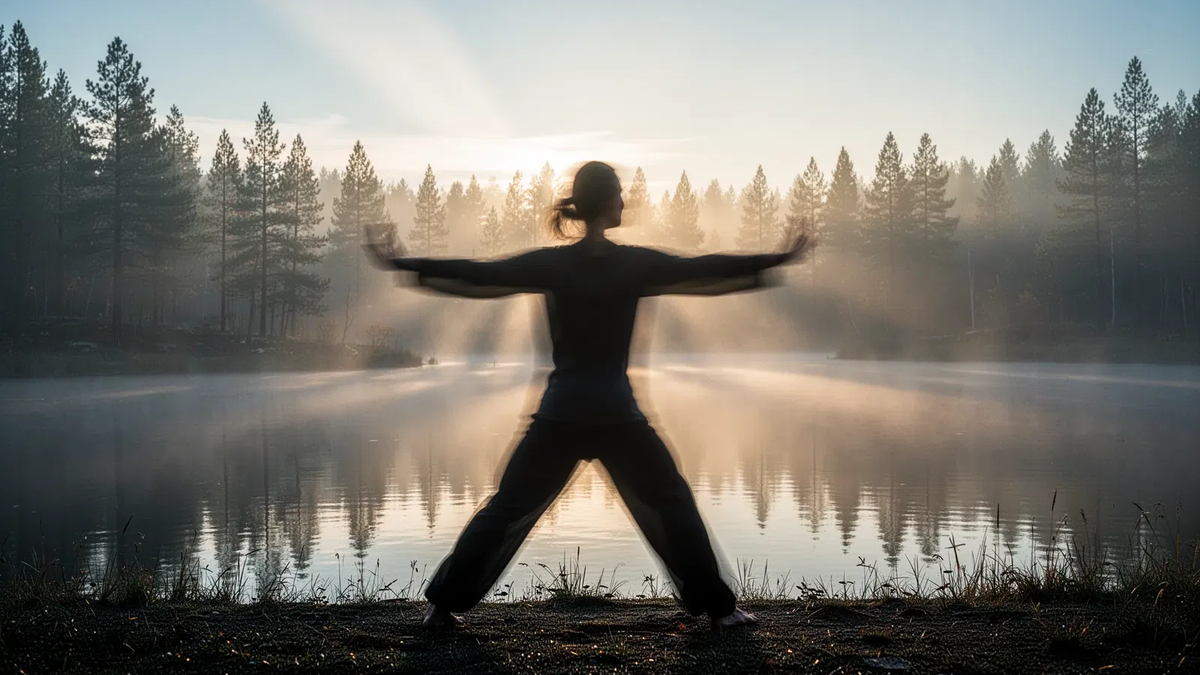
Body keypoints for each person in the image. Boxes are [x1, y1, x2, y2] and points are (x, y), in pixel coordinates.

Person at [364, 161, 814, 632]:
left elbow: (478, 275)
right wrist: (777, 258)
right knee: (671, 501)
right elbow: (704, 269)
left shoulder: (556, 264)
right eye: (619, 193)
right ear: (604, 202)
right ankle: (722, 611)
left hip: (561, 416)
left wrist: (406, 264)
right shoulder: (633, 263)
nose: (625, 201)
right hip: (617, 417)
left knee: (508, 507)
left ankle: (441, 607)